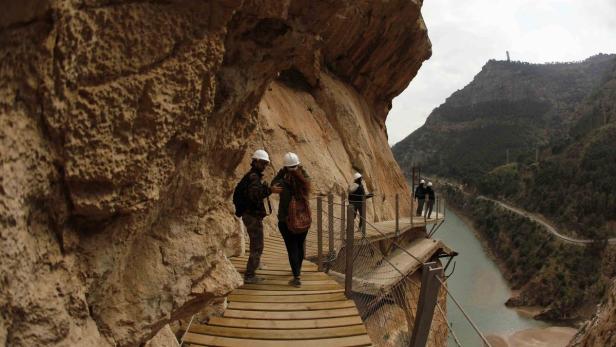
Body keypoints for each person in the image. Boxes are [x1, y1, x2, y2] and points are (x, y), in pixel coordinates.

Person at [271, 152, 311, 287]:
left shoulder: (283, 182)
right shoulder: (305, 182)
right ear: (298, 165)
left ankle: (296, 276)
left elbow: (272, 184)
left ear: (286, 168)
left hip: (286, 221)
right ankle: (297, 271)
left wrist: (281, 172)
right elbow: (307, 176)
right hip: (303, 220)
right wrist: (301, 168)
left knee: (292, 248)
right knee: (299, 246)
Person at [234, 149, 272, 284]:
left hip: (249, 214)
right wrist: (270, 190)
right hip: (251, 215)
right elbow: (254, 195)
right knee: (258, 245)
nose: (264, 166)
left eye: (265, 164)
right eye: (262, 163)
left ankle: (255, 265)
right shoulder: (253, 177)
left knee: (255, 243)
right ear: (255, 162)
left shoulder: (251, 176)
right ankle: (250, 275)